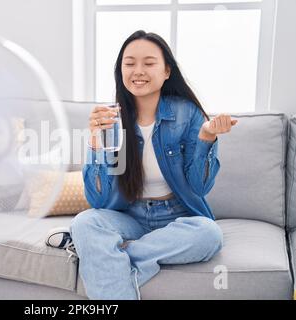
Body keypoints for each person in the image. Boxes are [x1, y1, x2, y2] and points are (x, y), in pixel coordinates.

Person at [46, 30, 238, 300]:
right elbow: (98, 199)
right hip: (129, 216)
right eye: (129, 63)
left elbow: (199, 186)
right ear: (120, 70)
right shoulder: (112, 119)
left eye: (149, 63)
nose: (138, 70)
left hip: (178, 216)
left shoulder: (187, 113)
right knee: (86, 222)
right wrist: (94, 140)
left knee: (209, 235)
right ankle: (99, 247)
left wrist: (207, 137)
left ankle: (103, 253)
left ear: (167, 71)